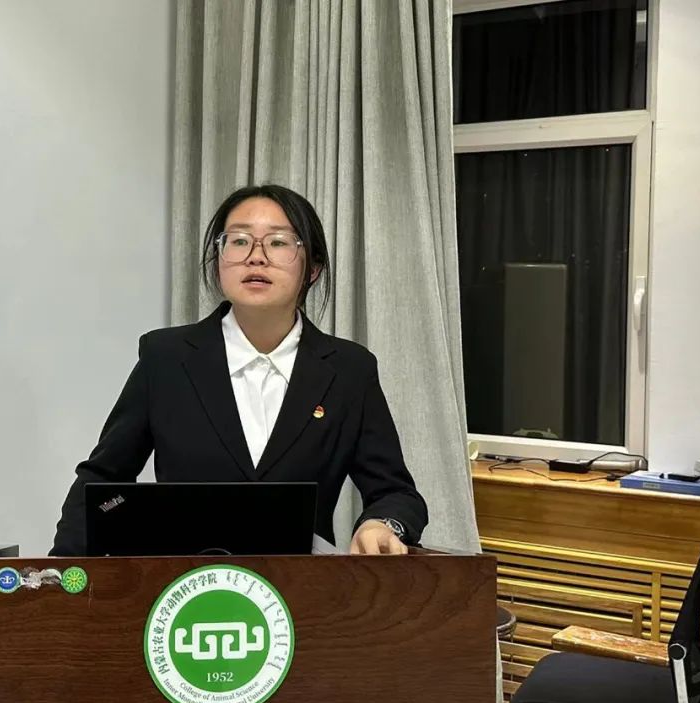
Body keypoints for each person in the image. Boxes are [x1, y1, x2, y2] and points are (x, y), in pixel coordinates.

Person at [50, 184, 427, 556]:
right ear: (219, 261)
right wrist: (62, 577)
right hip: (186, 586)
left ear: (312, 268)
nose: (256, 257)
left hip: (302, 587)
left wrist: (381, 523)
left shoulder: (349, 370)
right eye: (239, 241)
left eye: (278, 242)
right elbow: (102, 480)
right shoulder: (165, 358)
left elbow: (396, 493)